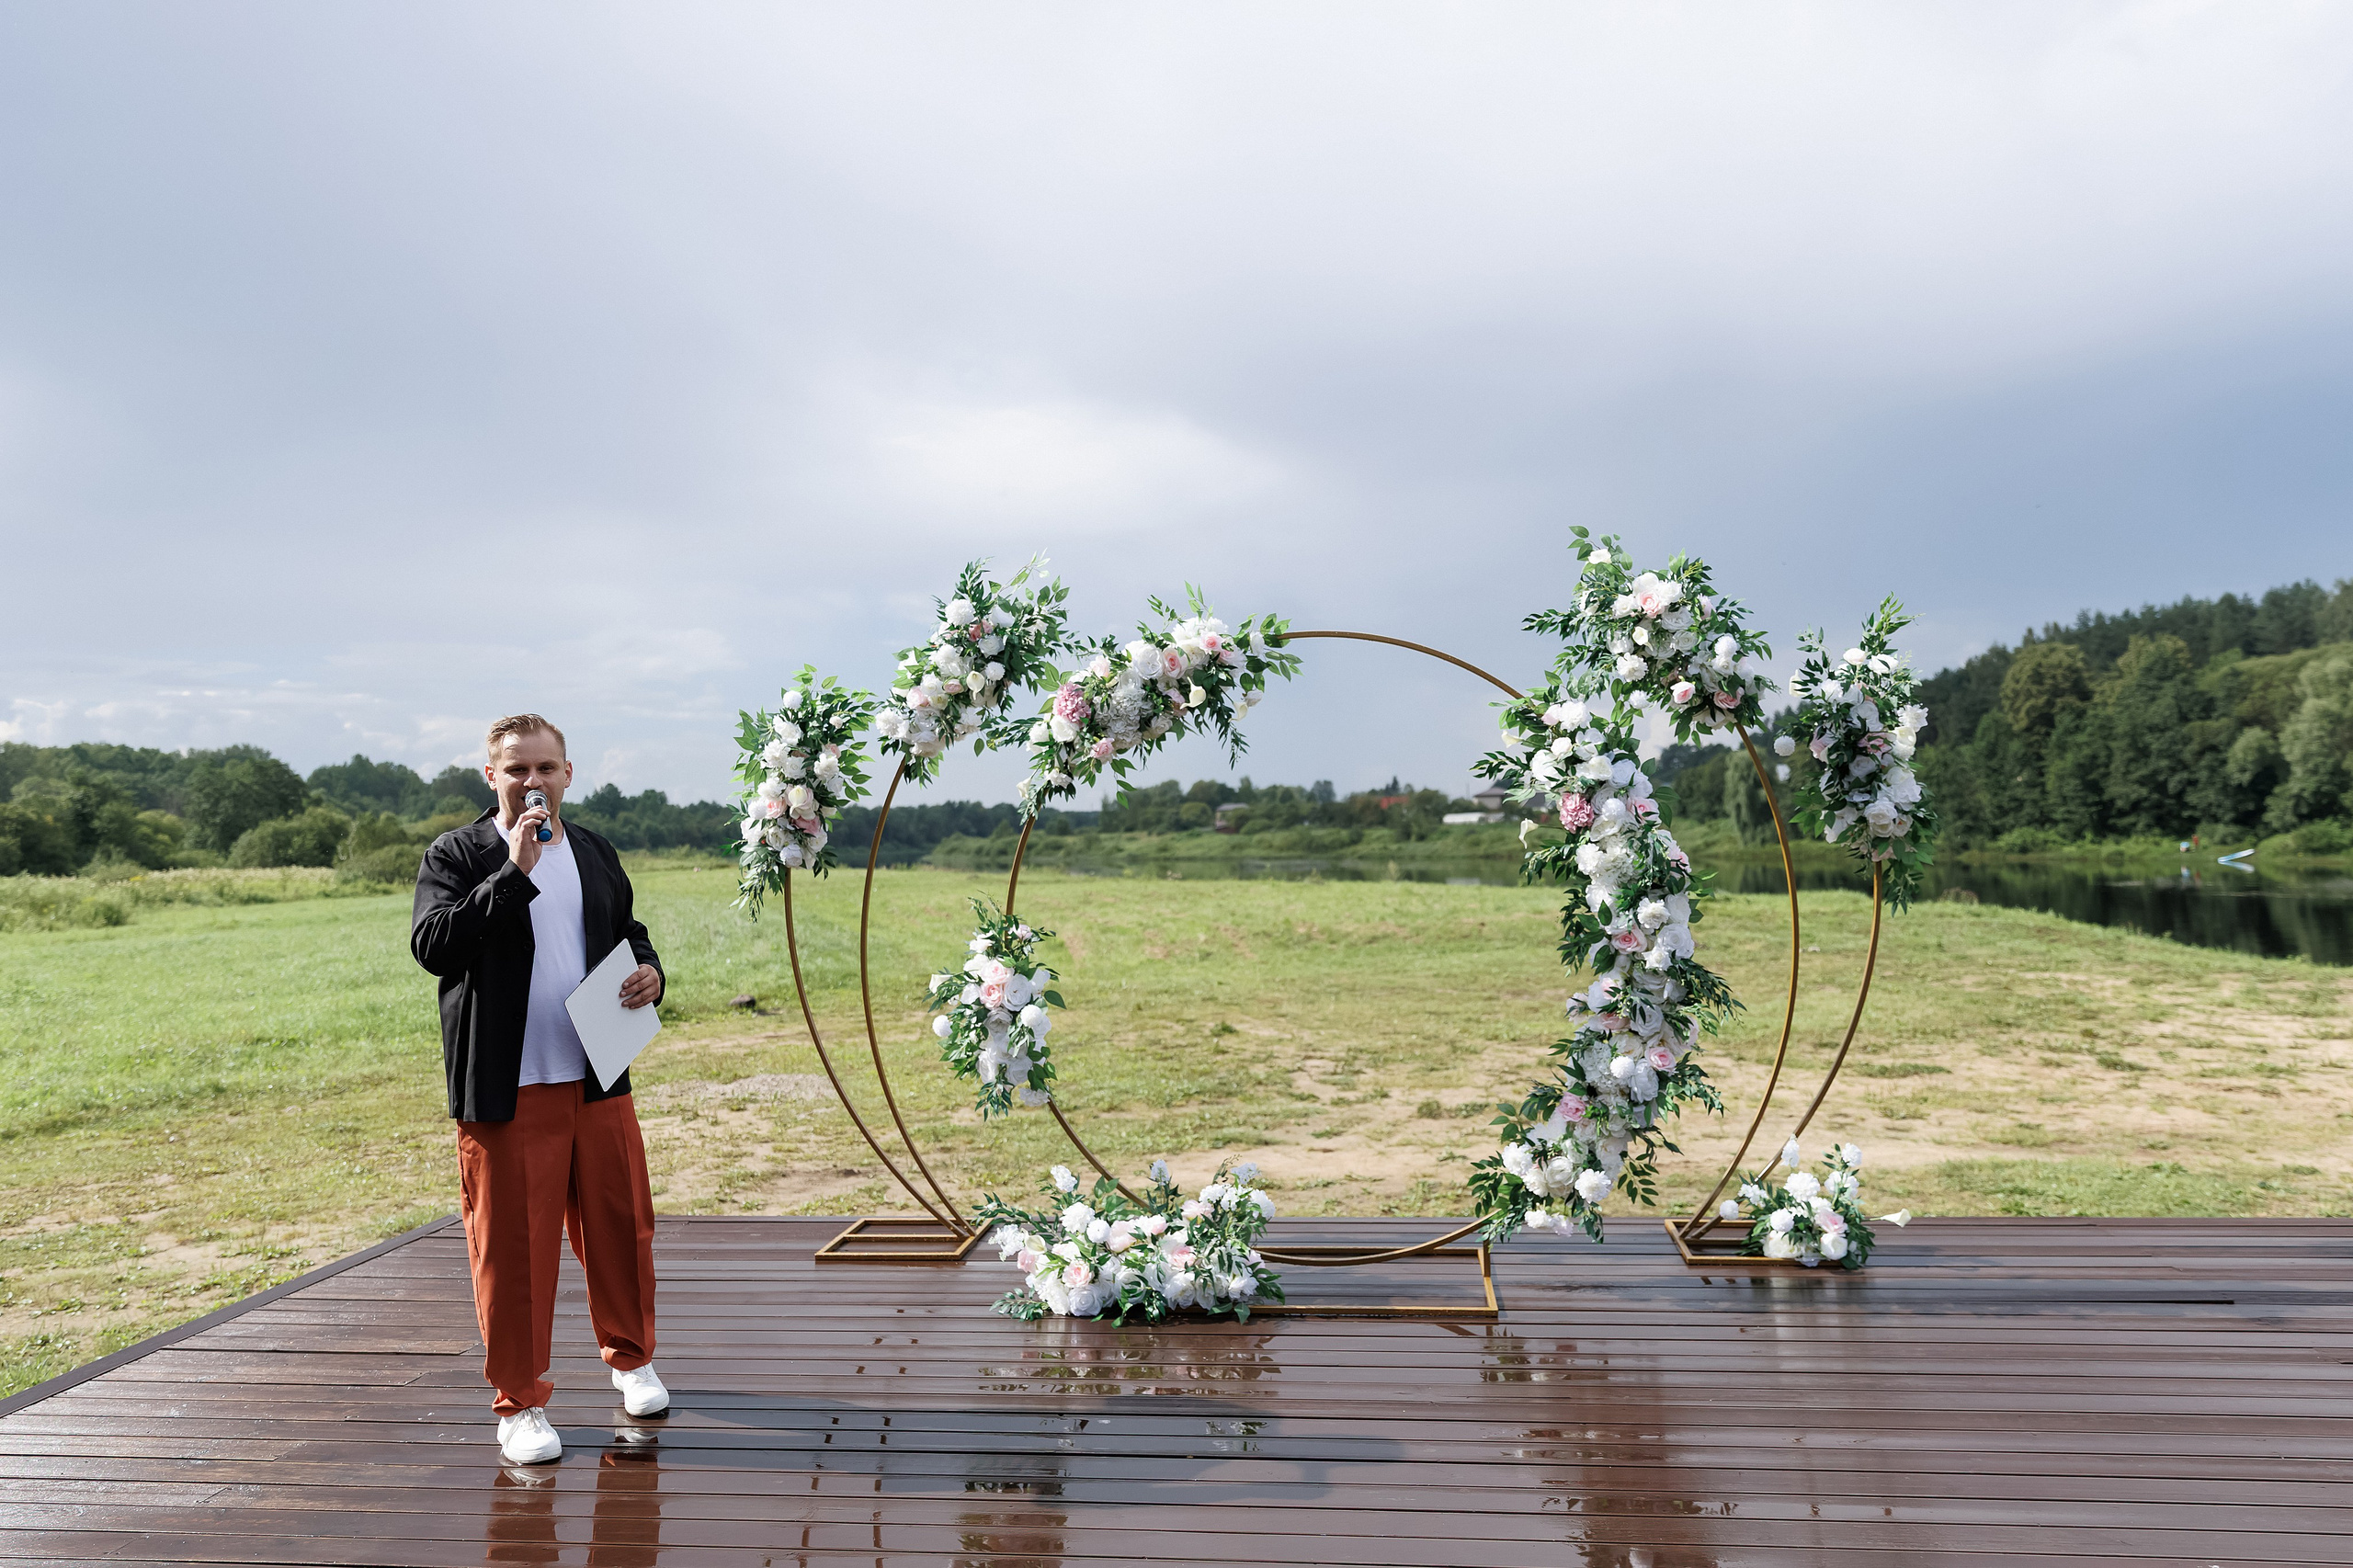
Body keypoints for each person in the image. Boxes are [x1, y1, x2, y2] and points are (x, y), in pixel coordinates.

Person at [411, 713, 670, 1465]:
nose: (533, 782)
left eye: (546, 768)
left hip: (596, 1072)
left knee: (622, 1229)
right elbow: (434, 945)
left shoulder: (593, 848)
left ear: (567, 775)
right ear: (491, 776)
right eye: (518, 769)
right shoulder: (458, 854)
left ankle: (632, 1360)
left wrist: (651, 973)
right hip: (509, 1085)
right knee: (514, 1253)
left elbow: (627, 931)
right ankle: (520, 1405)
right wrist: (513, 873)